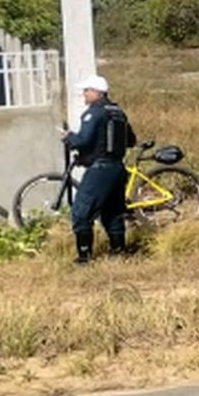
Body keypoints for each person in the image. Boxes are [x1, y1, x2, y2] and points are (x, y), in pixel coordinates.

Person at [64, 75, 134, 263]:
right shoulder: (118, 112)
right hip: (117, 168)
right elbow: (131, 140)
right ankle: (119, 252)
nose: (84, 94)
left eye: (86, 90)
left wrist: (69, 138)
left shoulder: (94, 113)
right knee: (113, 212)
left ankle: (84, 257)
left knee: (81, 211)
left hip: (100, 170)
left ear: (97, 92)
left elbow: (83, 140)